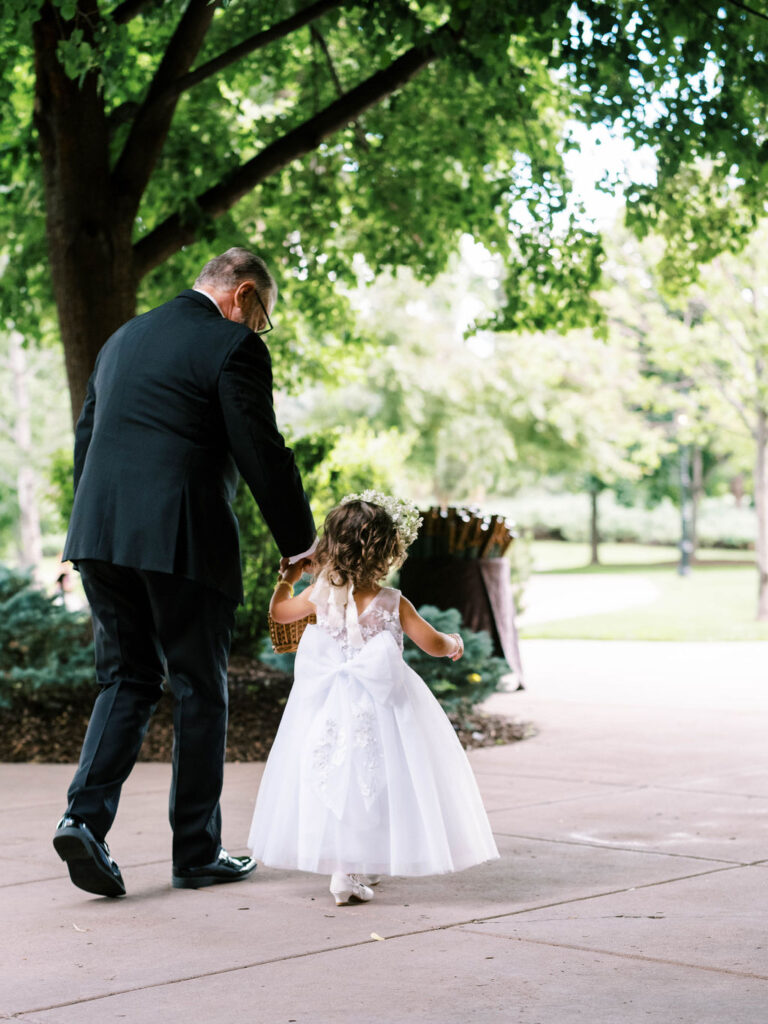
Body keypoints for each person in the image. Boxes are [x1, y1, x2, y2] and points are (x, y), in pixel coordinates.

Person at [53, 248, 316, 898]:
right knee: (200, 687)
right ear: (244, 293)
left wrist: (89, 529)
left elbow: (88, 437)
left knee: (127, 677)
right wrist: (301, 541)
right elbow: (261, 448)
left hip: (99, 533)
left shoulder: (124, 338)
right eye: (263, 316)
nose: (260, 331)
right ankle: (197, 853)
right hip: (181, 538)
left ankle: (81, 819)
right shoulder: (232, 346)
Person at [248, 491, 499, 906]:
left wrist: (287, 580)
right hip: (382, 706)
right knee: (380, 779)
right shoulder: (391, 601)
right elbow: (432, 643)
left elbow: (279, 614)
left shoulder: (317, 594)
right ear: (388, 551)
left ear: (330, 547)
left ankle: (344, 868)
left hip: (327, 703)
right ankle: (355, 867)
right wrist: (453, 642)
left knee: (333, 774)